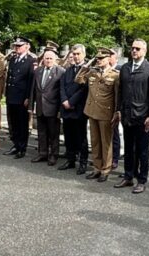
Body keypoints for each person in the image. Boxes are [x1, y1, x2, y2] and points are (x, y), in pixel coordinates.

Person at [114, 39, 149, 194]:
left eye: (138, 49)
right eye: (133, 48)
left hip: (142, 117)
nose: (134, 51)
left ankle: (142, 180)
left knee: (142, 150)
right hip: (127, 115)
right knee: (128, 148)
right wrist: (119, 110)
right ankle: (128, 176)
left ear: (145, 51)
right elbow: (120, 91)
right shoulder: (125, 68)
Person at [76, 47, 120, 182]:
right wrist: (87, 65)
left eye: (102, 58)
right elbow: (78, 79)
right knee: (95, 142)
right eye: (98, 58)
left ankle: (105, 170)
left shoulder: (115, 75)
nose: (99, 61)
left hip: (106, 113)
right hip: (92, 111)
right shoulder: (92, 72)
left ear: (109, 59)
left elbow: (117, 96)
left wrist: (116, 113)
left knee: (105, 142)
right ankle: (96, 168)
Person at [30, 48, 65, 165]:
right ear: (43, 59)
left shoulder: (60, 72)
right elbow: (33, 90)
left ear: (55, 60)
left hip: (53, 108)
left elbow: (61, 92)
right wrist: (31, 106)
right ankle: (42, 153)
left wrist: (60, 110)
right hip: (40, 107)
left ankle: (53, 155)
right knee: (41, 132)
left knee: (53, 134)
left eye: (51, 58)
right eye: (46, 58)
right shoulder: (38, 71)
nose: (48, 60)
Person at [59, 44, 90, 174]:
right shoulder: (68, 70)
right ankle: (70, 159)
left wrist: (71, 102)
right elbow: (62, 86)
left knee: (81, 137)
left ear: (83, 55)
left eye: (78, 54)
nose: (76, 57)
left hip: (78, 109)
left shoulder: (87, 70)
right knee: (69, 136)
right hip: (66, 109)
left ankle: (83, 162)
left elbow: (83, 89)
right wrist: (64, 100)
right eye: (74, 54)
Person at [4, 36, 35, 158]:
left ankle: (22, 147)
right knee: (14, 123)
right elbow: (9, 78)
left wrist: (28, 97)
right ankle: (16, 144)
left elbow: (30, 81)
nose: (17, 48)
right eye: (16, 46)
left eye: (20, 46)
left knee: (22, 123)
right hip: (12, 95)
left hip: (22, 97)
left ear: (27, 46)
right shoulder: (13, 59)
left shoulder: (31, 61)